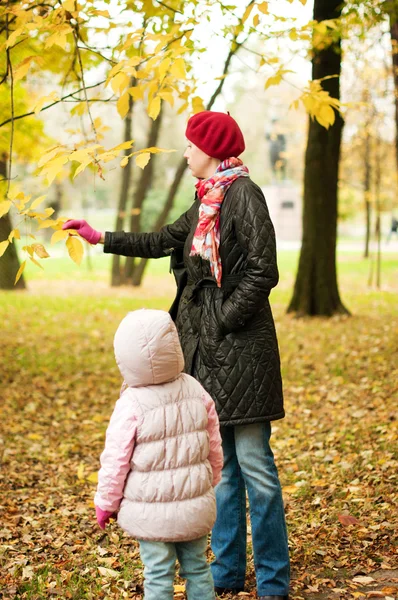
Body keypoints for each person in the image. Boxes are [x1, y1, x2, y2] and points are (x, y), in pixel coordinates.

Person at [64, 110, 290, 600]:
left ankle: (274, 582)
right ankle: (228, 574)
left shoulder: (243, 195)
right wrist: (99, 237)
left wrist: (221, 318)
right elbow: (162, 239)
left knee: (255, 467)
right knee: (223, 471)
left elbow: (262, 270)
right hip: (208, 352)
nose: (186, 152)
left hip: (242, 351)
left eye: (191, 145)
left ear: (211, 149)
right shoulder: (205, 199)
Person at [94, 309, 223, 600]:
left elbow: (116, 460)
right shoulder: (194, 388)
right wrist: (212, 478)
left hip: (149, 514)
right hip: (194, 506)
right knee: (198, 569)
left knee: (157, 574)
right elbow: (213, 441)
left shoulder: (131, 403)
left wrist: (106, 503)